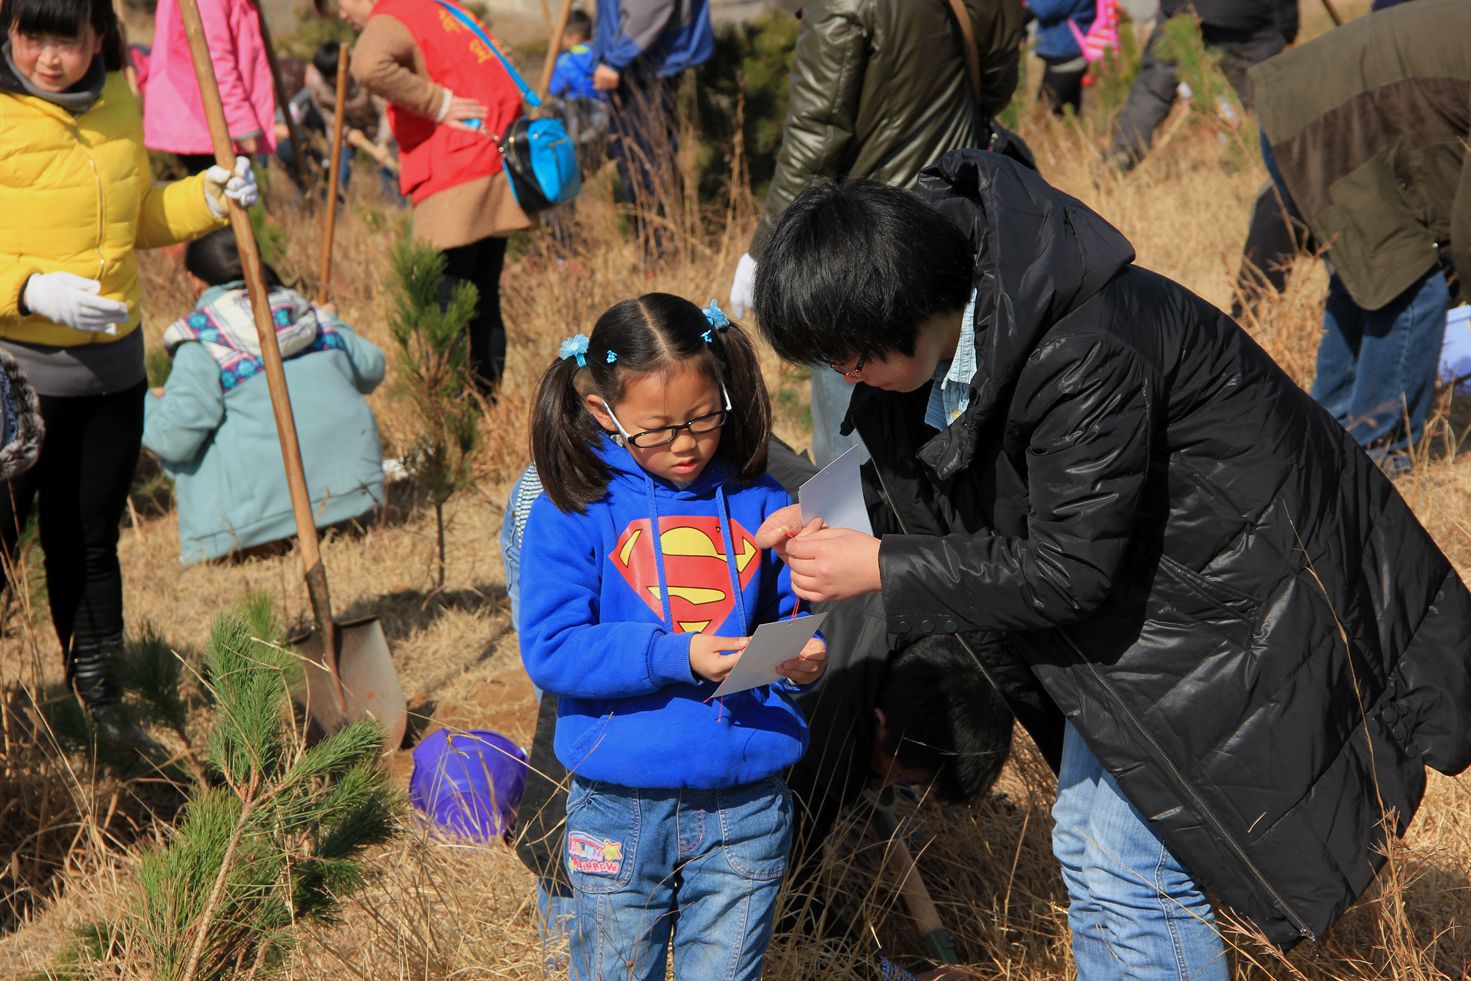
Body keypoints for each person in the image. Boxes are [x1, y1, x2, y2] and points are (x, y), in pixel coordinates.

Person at [751, 153, 1471, 977]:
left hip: (1241, 599)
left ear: (905, 300)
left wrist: (879, 564)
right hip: (1151, 606)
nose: (845, 377)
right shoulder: (950, 340)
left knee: (1133, 869)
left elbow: (1063, 569)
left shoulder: (1079, 347)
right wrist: (835, 514)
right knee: (1093, 848)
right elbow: (946, 482)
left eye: (852, 356)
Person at [518, 295, 827, 979]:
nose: (686, 444)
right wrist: (673, 654)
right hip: (620, 805)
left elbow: (784, 618)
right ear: (604, 415)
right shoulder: (572, 509)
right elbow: (553, 648)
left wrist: (796, 660)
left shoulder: (762, 500)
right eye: (656, 431)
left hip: (747, 800)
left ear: (724, 390)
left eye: (702, 418)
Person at [0, 0, 253, 728]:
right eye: (32, 36)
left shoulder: (118, 97)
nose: (50, 56)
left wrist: (206, 196)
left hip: (110, 373)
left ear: (100, 36)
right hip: (15, 378)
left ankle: (99, 698)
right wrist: (28, 289)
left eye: (67, 38)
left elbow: (138, 214)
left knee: (89, 540)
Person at [726, 0, 1024, 467]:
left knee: (856, 401)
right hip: (957, 212)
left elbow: (816, 133)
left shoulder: (844, 4)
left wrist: (764, 249)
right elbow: (999, 81)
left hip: (862, 237)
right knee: (958, 395)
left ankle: (865, 524)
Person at [1236, 0, 1468, 467]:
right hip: (1327, 124)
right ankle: (1379, 454)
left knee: (1364, 280)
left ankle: (1329, 434)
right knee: (1410, 287)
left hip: (1300, 106)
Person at [142, 229, 387, 565]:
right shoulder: (302, 311)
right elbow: (371, 368)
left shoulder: (201, 336)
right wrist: (332, 321)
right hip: (356, 495)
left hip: (260, 522)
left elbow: (173, 438)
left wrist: (148, 403)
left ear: (194, 280)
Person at [336, 0, 531, 396]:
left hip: (454, 173)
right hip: (493, 160)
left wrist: (436, 103)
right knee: (483, 297)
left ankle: (452, 411)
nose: (341, 15)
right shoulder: (445, 8)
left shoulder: (392, 13)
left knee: (445, 303)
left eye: (338, 4)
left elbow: (367, 65)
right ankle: (484, 410)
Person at [590, 0, 714, 264]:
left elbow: (651, 6)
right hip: (638, 65)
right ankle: (656, 253)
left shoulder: (627, 61)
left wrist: (615, 59)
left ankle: (661, 256)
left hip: (645, 65)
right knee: (641, 164)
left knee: (647, 165)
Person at [1108, 0, 1296, 172]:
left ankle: (1124, 149)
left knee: (1154, 85)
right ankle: (1243, 165)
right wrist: (1288, 24)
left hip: (1181, 8)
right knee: (1251, 97)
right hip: (1247, 16)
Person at [144, 0, 277, 172]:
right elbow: (214, 58)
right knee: (220, 194)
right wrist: (243, 125)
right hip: (208, 120)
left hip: (210, 118)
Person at [1028, 0, 1095, 116]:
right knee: (1062, 114)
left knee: (1047, 115)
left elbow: (1045, 9)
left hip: (1068, 58)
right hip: (1063, 55)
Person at [549, 9, 603, 102]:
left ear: (574, 38)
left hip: (576, 109)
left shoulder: (565, 60)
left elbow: (554, 89)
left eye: (561, 35)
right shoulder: (600, 54)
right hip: (602, 108)